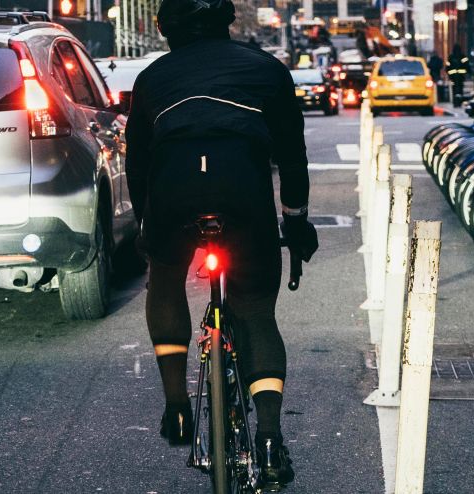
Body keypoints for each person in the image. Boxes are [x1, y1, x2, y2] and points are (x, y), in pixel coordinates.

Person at [123, 0, 319, 489]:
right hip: (243, 194)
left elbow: (138, 163)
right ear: (227, 24)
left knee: (166, 280)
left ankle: (176, 409)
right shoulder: (267, 70)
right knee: (254, 307)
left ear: (167, 30)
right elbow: (292, 158)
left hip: (173, 192)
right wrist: (295, 222)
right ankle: (270, 437)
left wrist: (148, 228)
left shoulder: (153, 79)